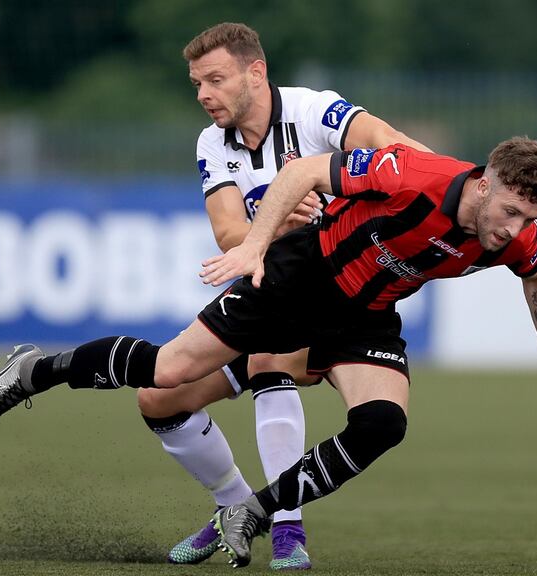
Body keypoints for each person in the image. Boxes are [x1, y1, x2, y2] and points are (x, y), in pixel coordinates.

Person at [0, 135, 537, 568]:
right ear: (485, 184)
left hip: (363, 319)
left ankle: (255, 513)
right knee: (165, 376)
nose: (513, 231)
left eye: (527, 219)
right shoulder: (412, 175)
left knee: (384, 422)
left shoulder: (513, 237)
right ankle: (33, 370)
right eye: (510, 212)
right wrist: (253, 249)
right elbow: (303, 172)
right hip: (300, 276)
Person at [134, 22, 433, 570]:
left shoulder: (315, 110)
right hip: (270, 294)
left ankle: (288, 526)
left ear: (256, 72)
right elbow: (228, 233)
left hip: (342, 302)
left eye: (215, 80)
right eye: (197, 83)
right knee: (156, 399)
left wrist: (446, 187)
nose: (203, 95)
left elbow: (389, 143)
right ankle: (235, 507)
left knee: (273, 358)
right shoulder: (211, 142)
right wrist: (269, 222)